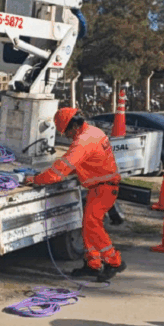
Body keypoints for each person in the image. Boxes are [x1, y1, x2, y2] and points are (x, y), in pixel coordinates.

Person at [26, 107, 126, 281]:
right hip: (102, 187)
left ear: (73, 126)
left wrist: (36, 179)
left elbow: (59, 171)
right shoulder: (94, 132)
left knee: (93, 226)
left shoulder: (82, 142)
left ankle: (114, 262)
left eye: (66, 132)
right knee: (88, 227)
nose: (67, 136)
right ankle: (93, 264)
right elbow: (87, 162)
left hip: (103, 189)